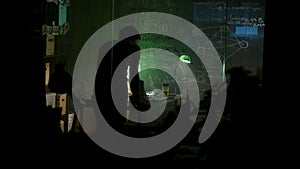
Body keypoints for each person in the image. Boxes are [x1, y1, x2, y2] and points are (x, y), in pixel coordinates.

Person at [95, 26, 150, 130]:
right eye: (134, 40)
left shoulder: (106, 46)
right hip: (117, 87)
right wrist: (137, 97)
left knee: (103, 125)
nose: (135, 43)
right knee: (118, 123)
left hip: (102, 86)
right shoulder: (134, 49)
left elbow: (99, 69)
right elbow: (134, 75)